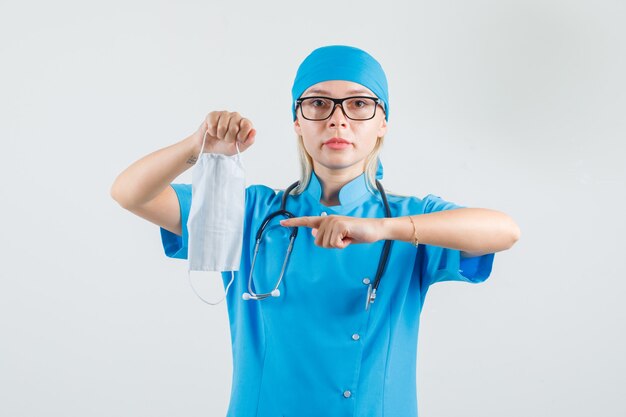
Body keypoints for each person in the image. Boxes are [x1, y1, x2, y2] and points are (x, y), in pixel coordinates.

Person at [111, 45, 520, 417]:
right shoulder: (249, 211)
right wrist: (196, 146)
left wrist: (381, 228)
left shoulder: (413, 222)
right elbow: (130, 193)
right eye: (318, 104)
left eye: (359, 104)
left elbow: (505, 230)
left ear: (382, 123)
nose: (338, 118)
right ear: (297, 122)